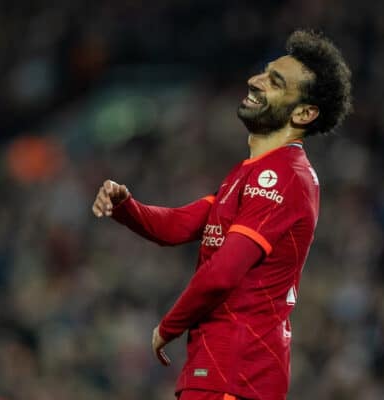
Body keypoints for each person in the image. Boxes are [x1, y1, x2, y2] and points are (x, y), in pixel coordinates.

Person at [92, 29, 352, 400]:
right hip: (223, 368)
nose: (255, 80)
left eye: (275, 82)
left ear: (305, 112)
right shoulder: (251, 172)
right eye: (264, 72)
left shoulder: (282, 176)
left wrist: (168, 326)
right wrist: (126, 207)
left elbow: (224, 271)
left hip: (237, 369)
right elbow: (181, 224)